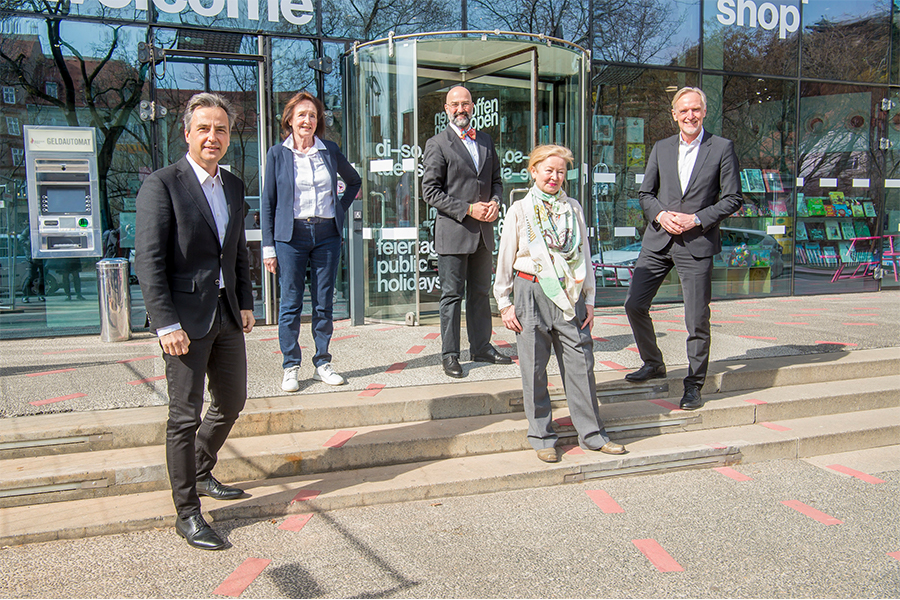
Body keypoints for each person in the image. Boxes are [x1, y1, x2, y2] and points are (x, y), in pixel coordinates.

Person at [135, 92, 256, 551]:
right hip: (183, 321)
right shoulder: (163, 184)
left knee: (232, 400)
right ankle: (188, 512)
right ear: (187, 133)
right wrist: (165, 323)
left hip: (226, 314)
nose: (213, 136)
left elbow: (236, 251)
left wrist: (246, 301)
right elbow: (148, 260)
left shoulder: (233, 186)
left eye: (221, 129)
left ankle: (201, 470)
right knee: (183, 417)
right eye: (204, 128)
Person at [494, 145, 626, 463]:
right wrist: (504, 302)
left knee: (581, 365)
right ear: (534, 171)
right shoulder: (520, 211)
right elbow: (505, 258)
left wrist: (591, 300)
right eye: (548, 170)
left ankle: (593, 435)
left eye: (561, 171)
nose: (554, 177)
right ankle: (541, 436)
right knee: (534, 369)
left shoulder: (574, 208)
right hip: (530, 293)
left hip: (570, 295)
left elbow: (585, 256)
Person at [624, 87, 742, 410]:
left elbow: (733, 198)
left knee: (696, 318)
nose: (690, 115)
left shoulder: (721, 148)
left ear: (704, 112)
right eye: (683, 110)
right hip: (659, 240)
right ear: (674, 115)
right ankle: (653, 362)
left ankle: (694, 384)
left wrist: (697, 219)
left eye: (696, 110)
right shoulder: (661, 148)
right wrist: (661, 215)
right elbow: (646, 194)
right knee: (634, 304)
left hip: (696, 242)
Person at [260, 91, 361, 392]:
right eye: (302, 115)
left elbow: (354, 181)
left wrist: (338, 211)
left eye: (313, 116)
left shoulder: (329, 150)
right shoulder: (278, 154)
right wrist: (268, 247)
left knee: (324, 302)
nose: (308, 120)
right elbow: (268, 202)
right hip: (290, 237)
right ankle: (291, 366)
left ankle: (322, 363)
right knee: (291, 303)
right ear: (289, 119)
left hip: (326, 235)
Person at [422, 85, 512, 378]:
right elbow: (430, 192)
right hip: (454, 232)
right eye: (455, 104)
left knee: (480, 293)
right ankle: (450, 355)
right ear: (446, 109)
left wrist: (496, 202)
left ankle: (481, 347)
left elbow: (496, 180)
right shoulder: (437, 143)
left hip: (484, 233)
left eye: (466, 104)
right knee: (451, 296)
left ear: (473, 107)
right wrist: (468, 209)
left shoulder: (485, 140)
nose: (461, 109)